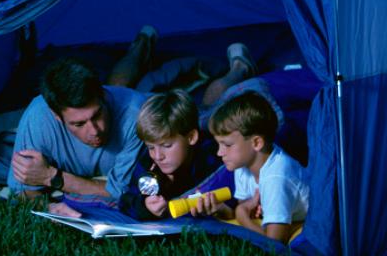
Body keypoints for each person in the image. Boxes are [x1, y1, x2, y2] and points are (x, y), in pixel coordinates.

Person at [8, 56, 149, 216]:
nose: (95, 131)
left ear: (102, 95)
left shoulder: (137, 115)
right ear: (57, 116)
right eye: (79, 124)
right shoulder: (38, 117)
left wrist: (52, 177)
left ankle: (142, 43)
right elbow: (22, 191)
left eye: (97, 115)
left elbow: (123, 193)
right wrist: (49, 208)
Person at [191, 92, 309, 243]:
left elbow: (274, 243)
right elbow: (246, 206)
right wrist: (219, 209)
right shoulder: (242, 165)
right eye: (218, 144)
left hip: (302, 224)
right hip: (277, 220)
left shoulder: (276, 178)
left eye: (227, 145)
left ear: (256, 143)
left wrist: (241, 215)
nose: (219, 152)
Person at [118, 89, 234, 220]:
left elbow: (235, 187)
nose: (157, 156)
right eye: (150, 147)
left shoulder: (214, 155)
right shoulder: (149, 162)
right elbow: (126, 200)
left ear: (191, 137)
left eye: (167, 146)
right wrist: (145, 207)